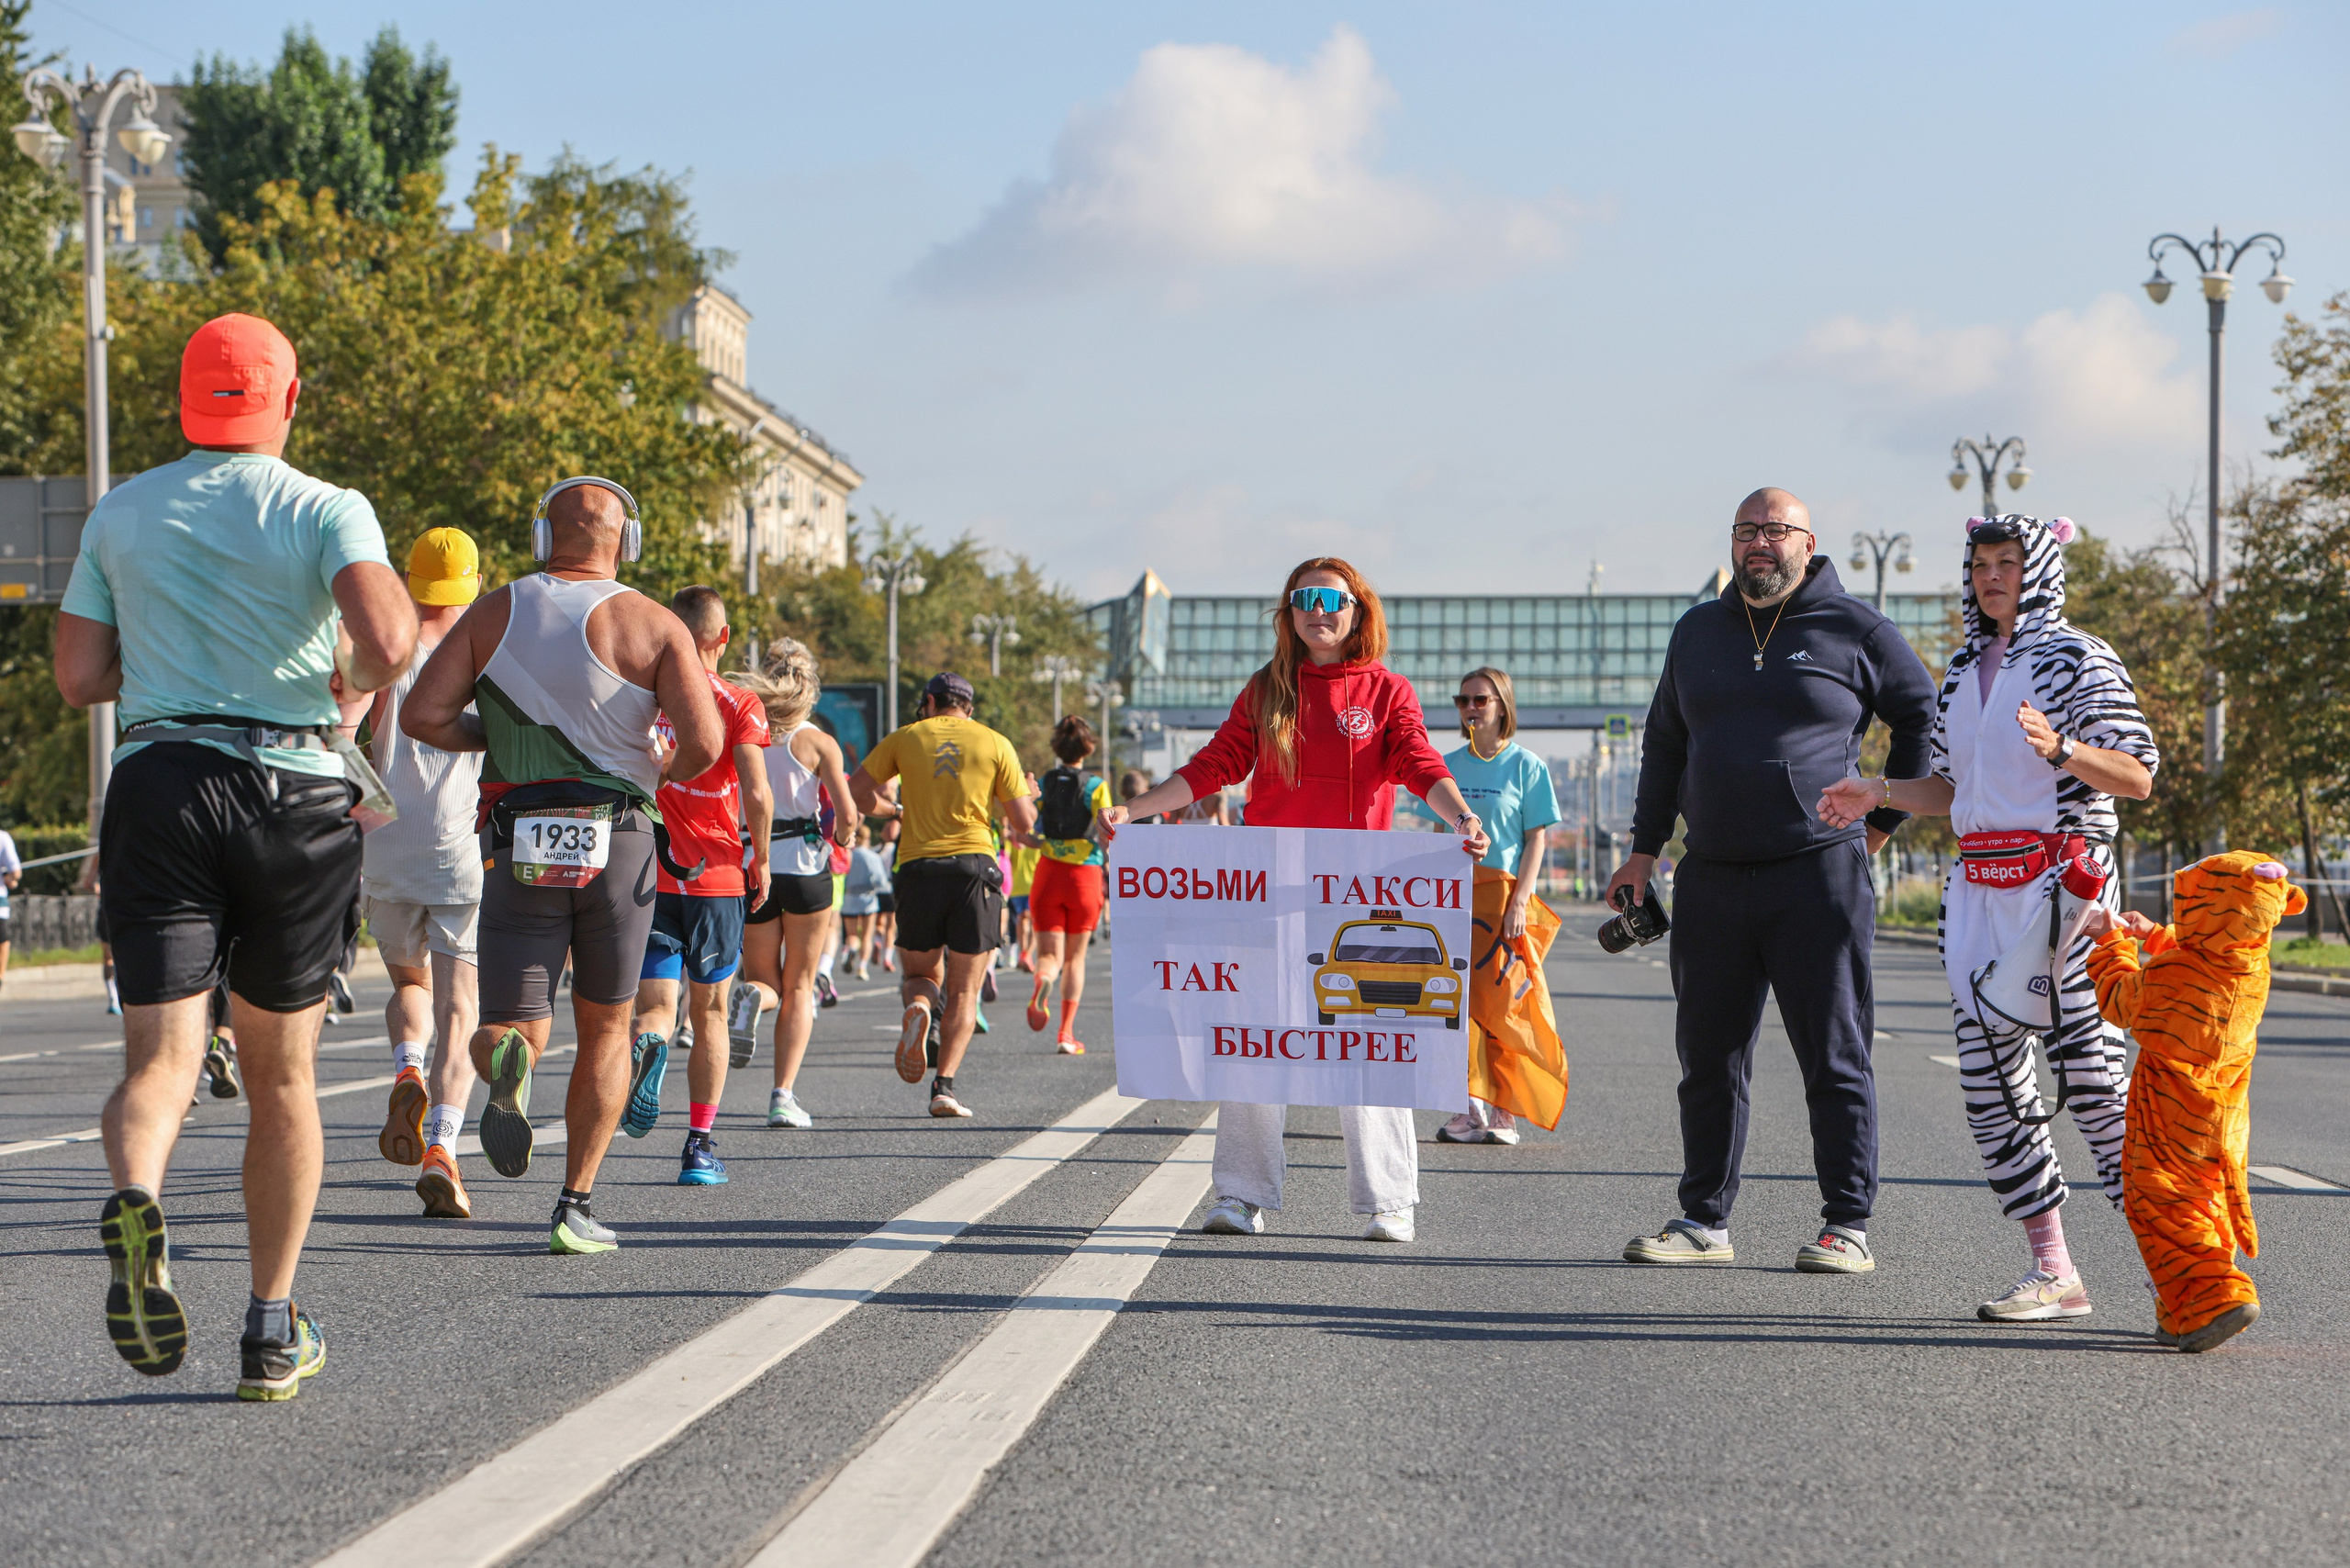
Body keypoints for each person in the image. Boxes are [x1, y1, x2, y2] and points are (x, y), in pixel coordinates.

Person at [56, 311, 416, 1399]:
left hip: (161, 784)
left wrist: (174, 664)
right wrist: (345, 673)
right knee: (282, 1077)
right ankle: (268, 1327)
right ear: (288, 400)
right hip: (295, 793)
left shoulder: (120, 512)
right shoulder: (323, 506)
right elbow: (393, 642)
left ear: (183, 399)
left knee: (160, 1063)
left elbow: (80, 677)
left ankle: (139, 1196)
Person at [1818, 514, 2155, 1317]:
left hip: (2064, 892)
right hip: (1977, 894)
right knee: (1993, 1088)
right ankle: (2053, 1270)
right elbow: (1950, 790)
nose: (1992, 576)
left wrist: (2062, 750)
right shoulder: (1964, 666)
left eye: (2008, 562)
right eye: (1980, 564)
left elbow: (2137, 774)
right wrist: (1881, 792)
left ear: (2037, 568)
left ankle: (2170, 1268)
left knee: (2097, 1089)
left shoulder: (2080, 657)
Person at [1104, 559, 1490, 1244]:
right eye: (1304, 599)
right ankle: (1240, 1195)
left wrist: (1460, 818)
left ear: (1357, 610)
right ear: (1289, 613)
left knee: (1372, 1045)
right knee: (1255, 1043)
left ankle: (1388, 1201)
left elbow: (1419, 764)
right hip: (1269, 895)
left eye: (1332, 600)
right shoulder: (1267, 690)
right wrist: (1135, 812)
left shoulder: (1388, 691)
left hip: (1360, 903)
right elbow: (1213, 766)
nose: (1319, 610)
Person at [1610, 487, 1936, 1274]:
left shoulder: (1854, 627)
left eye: (1776, 530)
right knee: (1709, 1058)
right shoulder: (1697, 632)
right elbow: (1664, 744)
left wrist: (1878, 825)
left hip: (1817, 876)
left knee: (1833, 1053)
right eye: (1748, 531)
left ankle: (1847, 1224)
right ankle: (1703, 1221)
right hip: (1713, 875)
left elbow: (1922, 713)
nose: (1761, 543)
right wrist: (1643, 851)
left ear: (1807, 541)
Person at [401, 476, 722, 1254]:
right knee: (608, 1025)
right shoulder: (654, 623)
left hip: (520, 834)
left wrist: (503, 743)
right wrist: (652, 774)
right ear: (626, 540)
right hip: (619, 838)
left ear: (545, 537)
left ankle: (509, 1059)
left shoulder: (497, 608)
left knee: (512, 1019)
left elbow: (422, 714)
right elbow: (705, 745)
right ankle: (575, 1204)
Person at [2085, 852, 2302, 1352]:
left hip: (2170, 1112)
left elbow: (2121, 1001)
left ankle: (2219, 1291)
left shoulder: (2176, 974)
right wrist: (2155, 934)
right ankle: (2180, 1312)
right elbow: (2200, 956)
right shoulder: (2250, 961)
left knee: (2158, 1201)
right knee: (2204, 1203)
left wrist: (2110, 941)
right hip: (2224, 1115)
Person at [621, 587, 773, 1184]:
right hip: (716, 878)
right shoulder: (739, 702)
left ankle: (651, 1044)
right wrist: (760, 859)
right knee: (709, 1010)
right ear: (723, 637)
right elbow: (757, 792)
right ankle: (699, 1148)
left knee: (655, 1007)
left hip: (648, 874)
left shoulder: (643, 700)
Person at [364, 527, 487, 1219]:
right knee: (458, 1003)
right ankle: (443, 1143)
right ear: (473, 581)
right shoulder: (485, 655)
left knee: (408, 983)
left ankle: (406, 1067)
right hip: (456, 845)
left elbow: (347, 731)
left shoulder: (387, 647)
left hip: (383, 840)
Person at [847, 672, 1035, 1118]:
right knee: (965, 990)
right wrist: (1029, 797)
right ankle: (944, 1087)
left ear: (930, 701)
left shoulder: (904, 737)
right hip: (975, 869)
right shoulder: (995, 742)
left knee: (921, 977)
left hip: (918, 868)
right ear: (968, 707)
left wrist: (894, 810)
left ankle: (918, 1007)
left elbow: (856, 794)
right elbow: (1024, 824)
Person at [1407, 666, 1561, 1146]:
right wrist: (1430, 899)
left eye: (1481, 700)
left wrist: (1521, 899)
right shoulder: (1443, 764)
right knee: (1454, 1005)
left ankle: (1503, 1111)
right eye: (1463, 701)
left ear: (1502, 706)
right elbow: (1437, 834)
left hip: (1503, 899)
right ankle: (1466, 1109)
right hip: (1453, 900)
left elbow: (1536, 840)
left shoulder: (1526, 766)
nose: (1471, 708)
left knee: (1505, 1007)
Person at [733, 638, 856, 1131]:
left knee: (764, 981)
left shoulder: (745, 731)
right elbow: (846, 815)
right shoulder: (818, 742)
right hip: (807, 871)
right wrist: (842, 835)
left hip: (754, 866)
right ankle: (782, 1096)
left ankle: (751, 1000)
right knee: (801, 986)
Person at [1024, 715, 1113, 1055]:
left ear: (1057, 747)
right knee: (1075, 960)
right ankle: (1065, 1033)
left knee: (1049, 955)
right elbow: (1107, 830)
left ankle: (1043, 979)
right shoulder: (1095, 786)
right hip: (1085, 877)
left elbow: (1027, 833)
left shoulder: (1045, 782)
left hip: (1049, 873)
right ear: (1087, 747)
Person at [842, 823, 890, 981]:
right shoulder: (873, 857)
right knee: (867, 936)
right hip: (868, 898)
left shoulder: (848, 854)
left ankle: (852, 948)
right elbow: (880, 880)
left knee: (852, 934)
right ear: (868, 839)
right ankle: (862, 968)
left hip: (849, 898)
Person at [0, 822, 17, 989]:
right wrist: (9, 880)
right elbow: (15, 871)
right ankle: (0, 976)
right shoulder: (3, 838)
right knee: (2, 940)